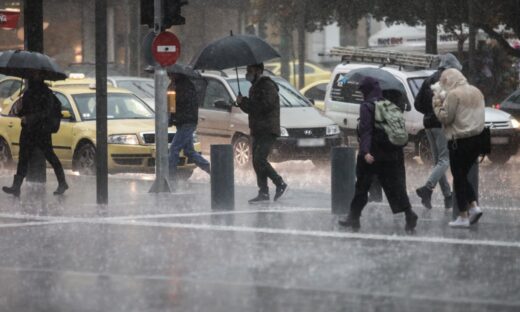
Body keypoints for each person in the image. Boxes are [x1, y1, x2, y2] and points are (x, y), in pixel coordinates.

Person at [338, 77, 418, 232]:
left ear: (366, 91)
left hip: (373, 154)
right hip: (392, 154)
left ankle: (353, 217)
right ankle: (410, 214)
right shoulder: (388, 104)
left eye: (362, 90)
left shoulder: (367, 106)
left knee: (362, 185)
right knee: (395, 187)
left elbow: (366, 131)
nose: (361, 94)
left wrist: (365, 152)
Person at [433, 68, 485, 228]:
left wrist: (436, 103)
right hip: (478, 140)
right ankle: (473, 207)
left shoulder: (454, 95)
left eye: (444, 82)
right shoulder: (477, 91)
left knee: (459, 177)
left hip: (460, 141)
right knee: (462, 176)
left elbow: (445, 118)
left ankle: (464, 215)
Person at [2, 74, 68, 197]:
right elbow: (26, 111)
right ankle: (16, 186)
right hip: (28, 131)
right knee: (23, 158)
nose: (31, 78)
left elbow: (45, 113)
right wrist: (19, 110)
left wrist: (30, 118)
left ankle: (62, 182)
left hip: (41, 132)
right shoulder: (28, 93)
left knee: (50, 156)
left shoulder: (46, 94)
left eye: (34, 76)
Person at [414, 53, 462, 210]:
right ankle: (427, 189)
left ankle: (448, 196)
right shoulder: (448, 78)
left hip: (428, 123)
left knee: (438, 162)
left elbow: (417, 104)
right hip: (441, 123)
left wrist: (429, 111)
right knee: (444, 160)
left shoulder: (429, 78)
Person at [236, 63, 287, 204]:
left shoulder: (267, 86)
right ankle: (263, 191)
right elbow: (253, 109)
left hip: (268, 129)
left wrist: (247, 102)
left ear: (259, 71)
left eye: (250, 71)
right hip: (257, 129)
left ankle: (279, 183)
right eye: (247, 71)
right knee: (256, 161)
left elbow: (264, 106)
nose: (248, 74)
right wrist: (242, 102)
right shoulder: (255, 87)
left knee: (260, 159)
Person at [168, 74, 210, 184]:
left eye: (170, 74)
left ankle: (170, 177)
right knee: (189, 151)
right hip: (183, 122)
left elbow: (176, 105)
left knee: (174, 148)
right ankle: (212, 170)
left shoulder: (184, 86)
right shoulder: (179, 85)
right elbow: (173, 107)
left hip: (187, 122)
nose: (169, 77)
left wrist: (172, 93)